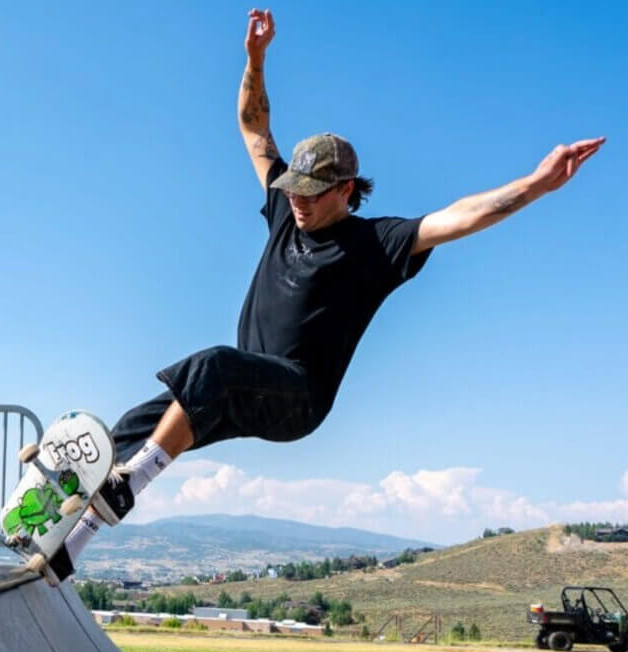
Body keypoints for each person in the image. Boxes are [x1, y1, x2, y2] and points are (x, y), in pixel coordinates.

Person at [48, 8, 605, 580]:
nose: (297, 202)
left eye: (313, 194)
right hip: (246, 383)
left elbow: (461, 217)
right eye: (294, 190)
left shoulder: (377, 242)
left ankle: (124, 493)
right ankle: (56, 542)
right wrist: (256, 60)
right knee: (134, 428)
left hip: (298, 397)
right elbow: (254, 128)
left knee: (209, 368)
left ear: (345, 190)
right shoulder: (285, 208)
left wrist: (537, 184)